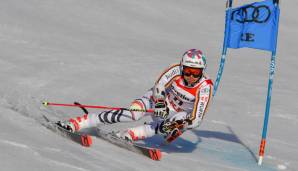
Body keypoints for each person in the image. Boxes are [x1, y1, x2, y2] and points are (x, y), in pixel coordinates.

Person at [59, 49, 213, 144]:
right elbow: (159, 85)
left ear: (202, 71)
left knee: (170, 123)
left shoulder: (205, 87)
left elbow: (196, 119)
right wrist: (160, 102)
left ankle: (131, 134)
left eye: (196, 72)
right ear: (182, 67)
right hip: (160, 100)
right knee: (133, 113)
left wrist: (177, 125)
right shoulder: (175, 70)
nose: (191, 76)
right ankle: (81, 121)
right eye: (187, 71)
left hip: (176, 113)